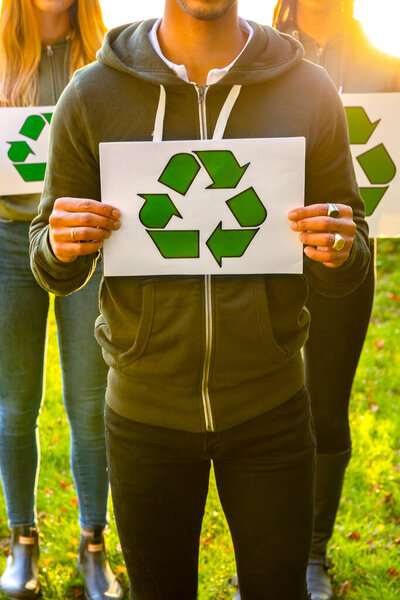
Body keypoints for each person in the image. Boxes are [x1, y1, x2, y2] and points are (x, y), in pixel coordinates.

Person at [29, 0, 370, 598]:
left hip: (273, 407)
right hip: (144, 412)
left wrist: (340, 249)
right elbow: (49, 258)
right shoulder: (92, 93)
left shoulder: (308, 88)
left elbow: (352, 244)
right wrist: (60, 246)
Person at [268, 2, 400, 599]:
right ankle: (264, 544)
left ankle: (311, 553)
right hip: (261, 260)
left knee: (325, 405)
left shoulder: (386, 66)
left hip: (347, 265)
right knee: (263, 413)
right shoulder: (257, 54)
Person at [0, 1, 123, 599]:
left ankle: (93, 542)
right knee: (14, 404)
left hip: (83, 244)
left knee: (90, 399)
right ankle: (22, 538)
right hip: (3, 240)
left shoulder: (105, 60)